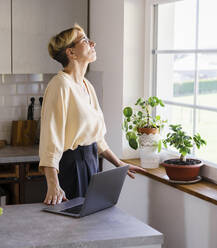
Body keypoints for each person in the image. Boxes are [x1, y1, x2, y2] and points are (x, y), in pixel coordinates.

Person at [39, 24, 146, 205]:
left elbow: (95, 137)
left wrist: (118, 163)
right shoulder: (60, 86)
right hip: (71, 168)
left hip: (91, 162)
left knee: (91, 224)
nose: (93, 43)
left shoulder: (87, 85)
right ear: (71, 53)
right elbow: (51, 139)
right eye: (85, 41)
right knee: (73, 228)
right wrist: (53, 184)